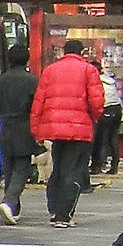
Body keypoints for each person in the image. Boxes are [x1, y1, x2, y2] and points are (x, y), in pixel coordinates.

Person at [30, 39, 104, 227]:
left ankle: (55, 209)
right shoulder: (89, 70)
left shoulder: (50, 70)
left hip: (54, 128)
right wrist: (93, 118)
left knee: (59, 167)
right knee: (73, 170)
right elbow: (96, 102)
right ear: (81, 53)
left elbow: (39, 101)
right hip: (79, 128)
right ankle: (64, 215)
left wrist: (36, 129)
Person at [0, 42, 41, 223]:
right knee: (22, 168)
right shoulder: (32, 81)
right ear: (27, 59)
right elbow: (37, 107)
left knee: (10, 168)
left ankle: (14, 209)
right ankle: (9, 202)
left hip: (5, 127)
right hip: (23, 127)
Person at [89, 50, 123, 180]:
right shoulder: (110, 79)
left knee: (101, 139)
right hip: (117, 109)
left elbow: (96, 99)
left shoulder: (96, 81)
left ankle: (97, 165)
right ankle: (114, 165)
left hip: (105, 110)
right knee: (112, 138)